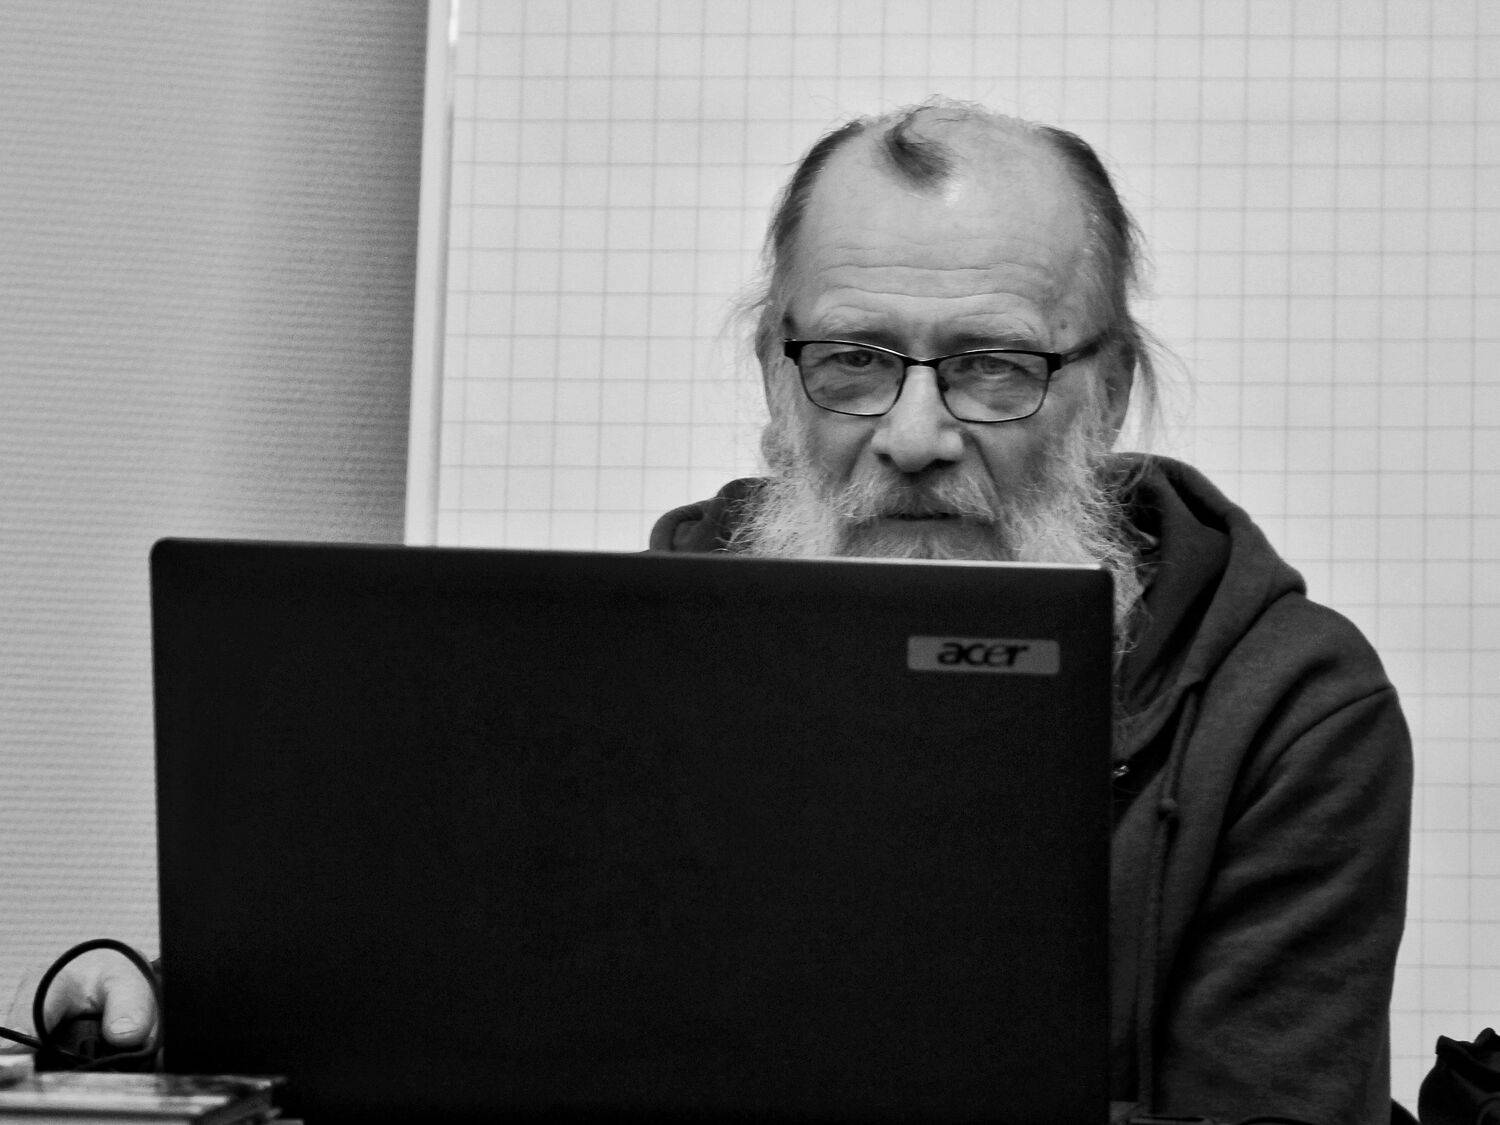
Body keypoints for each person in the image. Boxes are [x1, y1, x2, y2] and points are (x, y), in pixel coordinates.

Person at [13, 101, 1411, 1122]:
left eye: (994, 365)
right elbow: (441, 980)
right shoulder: (656, 639)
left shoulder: (1290, 713)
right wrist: (166, 1010)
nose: (915, 434)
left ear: (1108, 393)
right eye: (853, 359)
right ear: (774, 375)